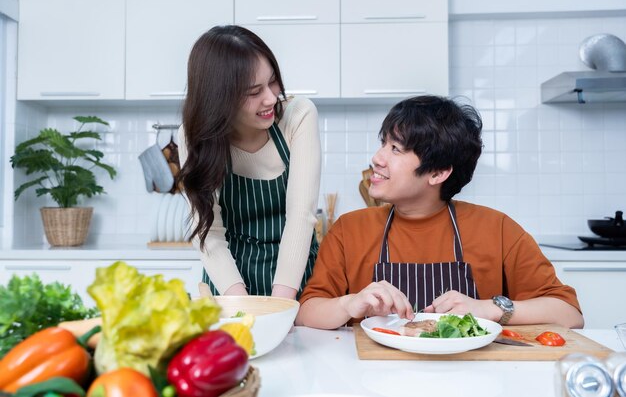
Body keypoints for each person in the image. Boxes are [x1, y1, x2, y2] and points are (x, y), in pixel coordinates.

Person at [296, 95, 584, 329]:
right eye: (383, 143)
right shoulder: (350, 229)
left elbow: (569, 314)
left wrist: (489, 309)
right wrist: (349, 304)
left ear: (438, 173)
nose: (377, 158)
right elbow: (307, 312)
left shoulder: (496, 229)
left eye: (396, 149)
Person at [178, 25, 320, 300]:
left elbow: (300, 218)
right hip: (228, 279)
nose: (271, 98)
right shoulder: (194, 135)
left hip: (295, 279)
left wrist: (280, 305)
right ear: (219, 98)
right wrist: (240, 304)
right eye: (254, 91)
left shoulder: (298, 116)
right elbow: (209, 231)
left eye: (273, 81)